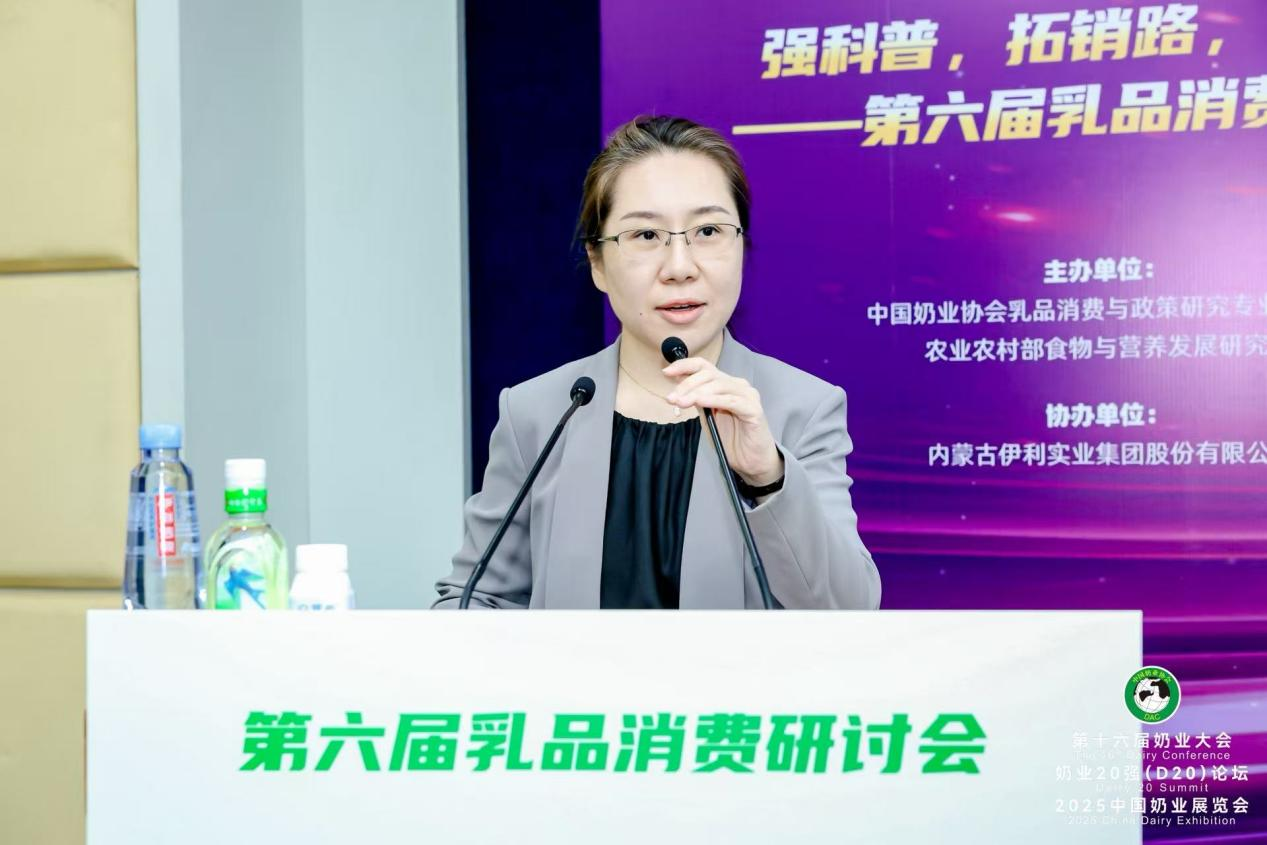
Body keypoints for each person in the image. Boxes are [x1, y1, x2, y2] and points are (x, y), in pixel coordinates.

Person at [433, 115, 880, 609]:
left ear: (741, 247)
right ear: (598, 263)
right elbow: (472, 600)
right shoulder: (538, 412)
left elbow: (850, 609)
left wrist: (768, 478)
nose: (680, 267)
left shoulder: (802, 408)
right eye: (646, 235)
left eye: (708, 230)